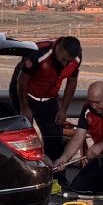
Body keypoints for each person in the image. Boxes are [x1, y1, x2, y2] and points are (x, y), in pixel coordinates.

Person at [9, 36, 82, 187]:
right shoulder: (39, 52)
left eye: (68, 61)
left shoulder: (76, 58)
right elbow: (21, 80)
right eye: (63, 59)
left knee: (54, 136)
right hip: (24, 94)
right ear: (58, 48)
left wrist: (63, 109)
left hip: (48, 97)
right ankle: (22, 178)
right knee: (23, 137)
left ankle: (56, 179)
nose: (65, 64)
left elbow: (72, 82)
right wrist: (25, 108)